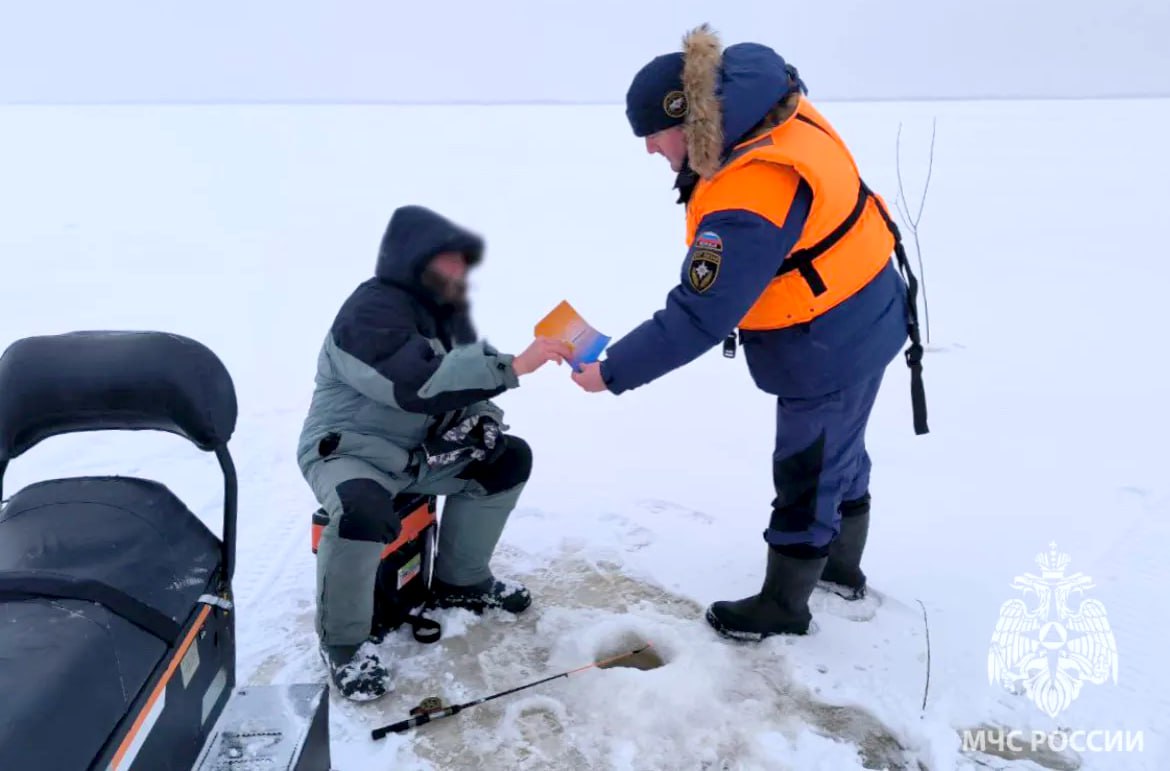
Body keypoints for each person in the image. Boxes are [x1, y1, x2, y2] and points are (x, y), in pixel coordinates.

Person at [571, 24, 928, 641]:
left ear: (687, 120)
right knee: (840, 450)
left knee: (808, 469)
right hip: (864, 309)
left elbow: (699, 314)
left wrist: (612, 370)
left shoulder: (752, 190)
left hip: (827, 341)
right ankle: (839, 570)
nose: (650, 150)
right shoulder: (769, 111)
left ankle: (784, 606)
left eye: (653, 135)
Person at [297, 204, 571, 700]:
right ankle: (343, 644)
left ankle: (460, 582)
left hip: (418, 457)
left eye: (462, 262)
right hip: (350, 454)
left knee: (507, 460)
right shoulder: (368, 312)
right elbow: (416, 385)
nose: (459, 271)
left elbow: (463, 387)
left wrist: (485, 422)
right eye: (448, 260)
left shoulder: (444, 317)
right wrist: (513, 366)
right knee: (363, 510)